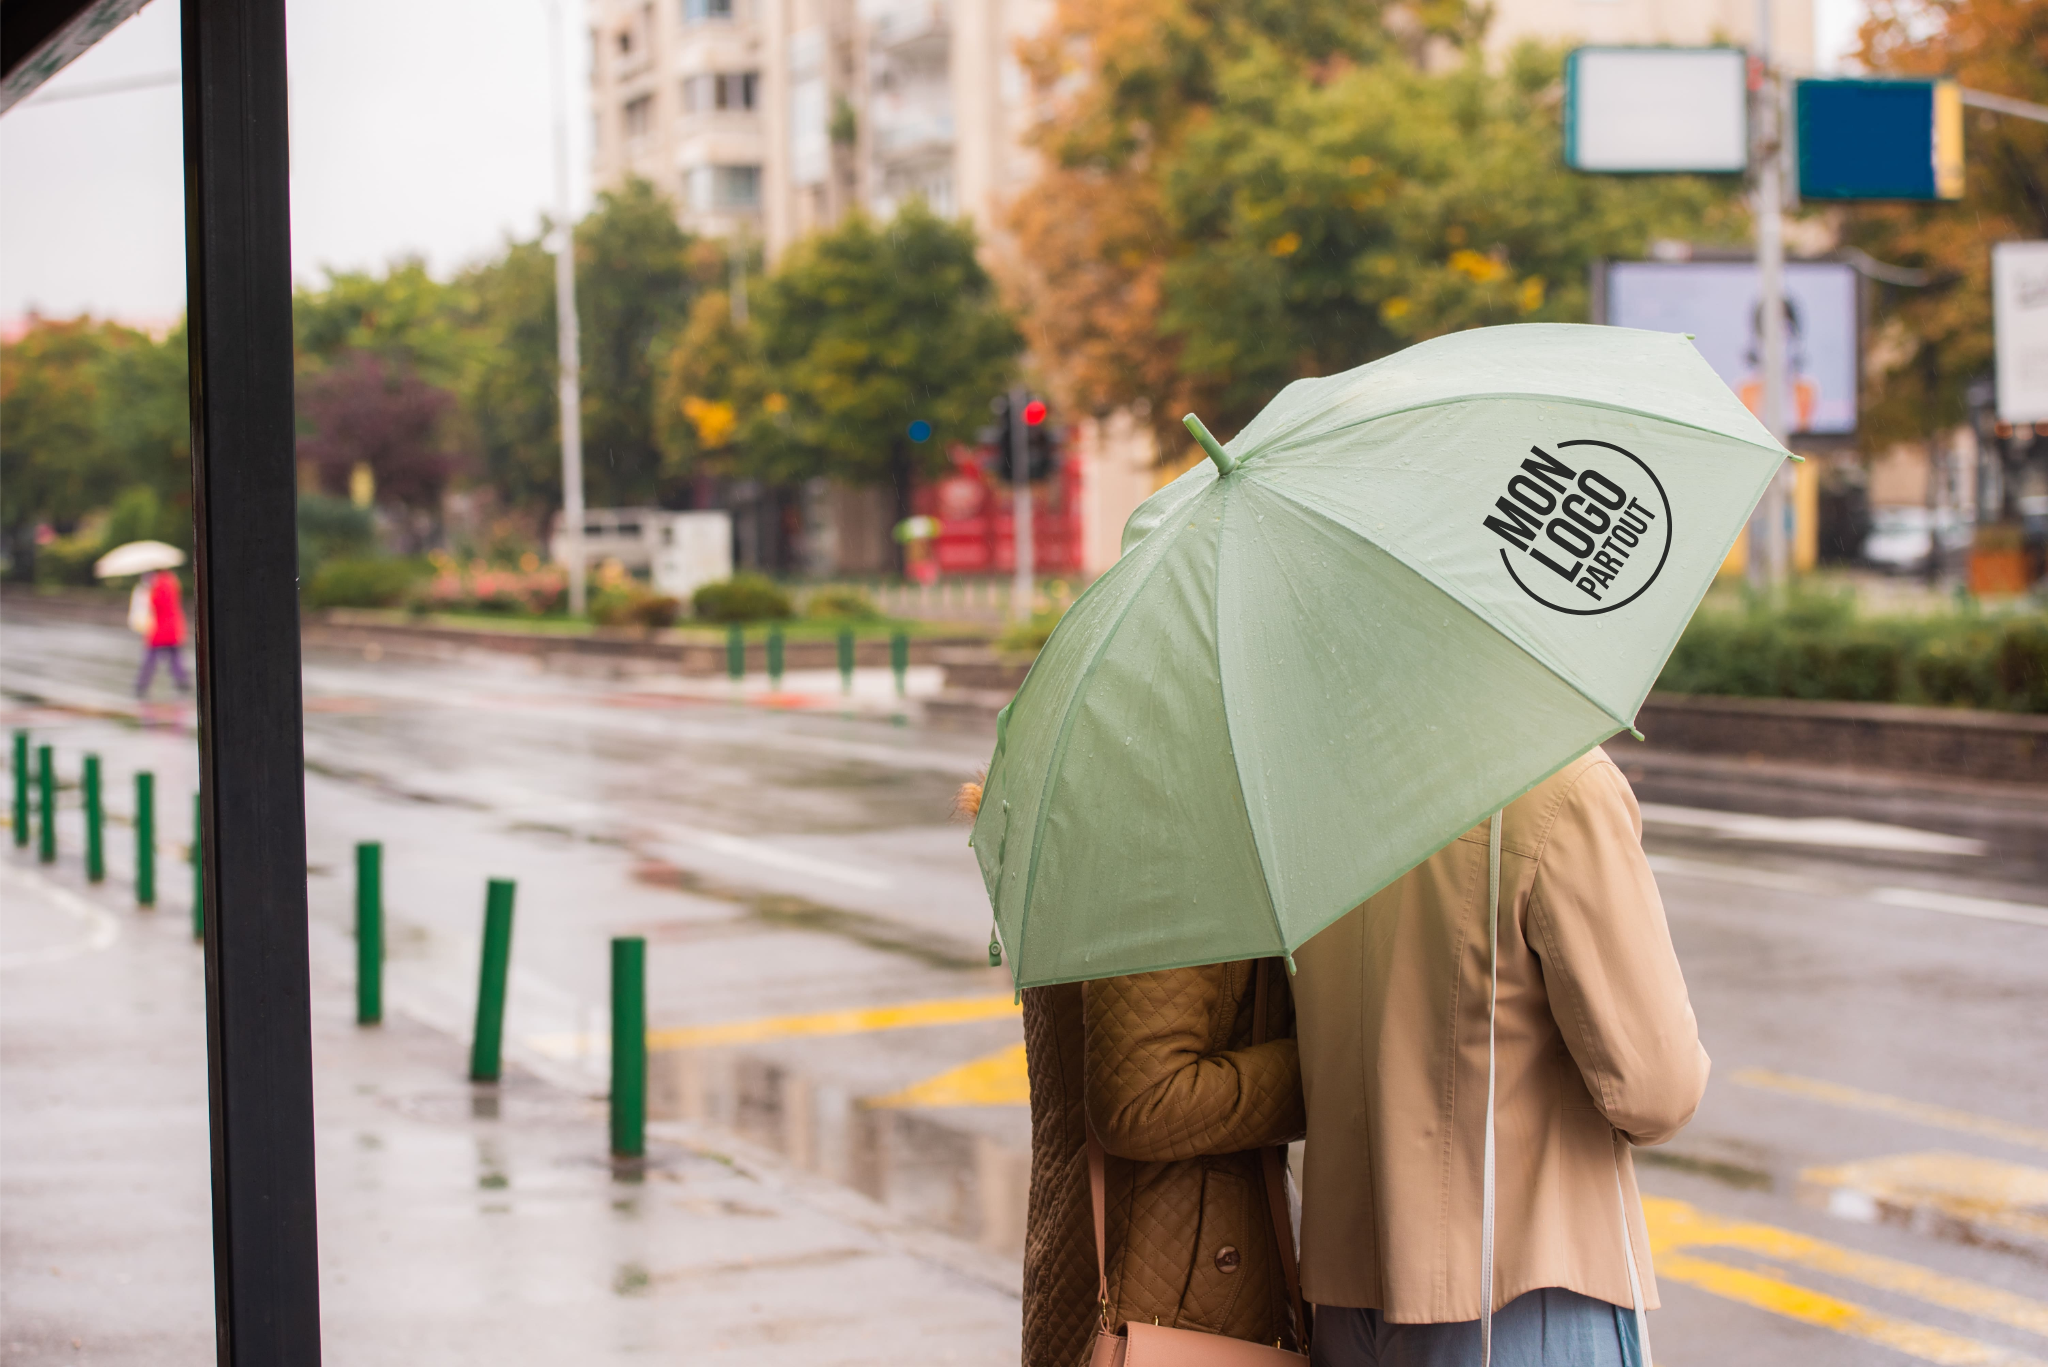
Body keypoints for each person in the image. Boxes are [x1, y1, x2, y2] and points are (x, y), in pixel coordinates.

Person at [1291, 747, 1709, 1367]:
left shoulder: (1319, 791)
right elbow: (1657, 1092)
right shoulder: (1559, 782)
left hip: (1347, 1294)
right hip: (1523, 1287)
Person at [961, 778, 1308, 1367]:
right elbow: (1143, 1101)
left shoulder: (1085, 813)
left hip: (1123, 1275)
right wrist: (1330, 1064)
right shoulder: (1162, 842)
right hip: (1180, 1302)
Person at [136, 569, 190, 697]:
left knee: (150, 658)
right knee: (175, 657)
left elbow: (155, 604)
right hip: (174, 627)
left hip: (160, 629)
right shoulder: (173, 580)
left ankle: (142, 683)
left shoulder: (157, 584)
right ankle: (182, 681)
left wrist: (148, 591)